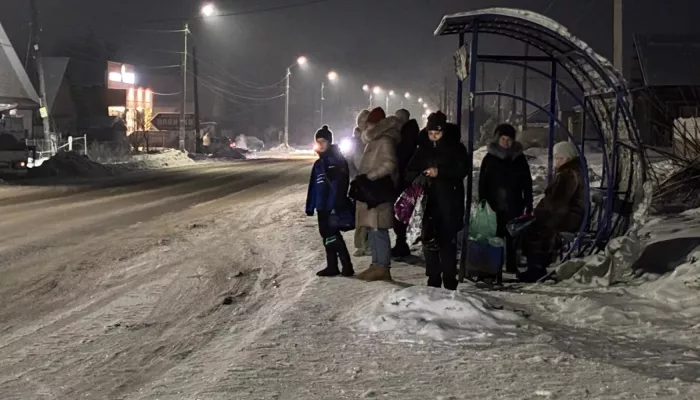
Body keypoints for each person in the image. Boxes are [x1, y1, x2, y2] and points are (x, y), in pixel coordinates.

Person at [406, 111, 468, 290]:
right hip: (427, 203)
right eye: (430, 133)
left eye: (437, 133)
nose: (433, 137)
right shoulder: (422, 148)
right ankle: (433, 279)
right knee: (429, 242)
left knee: (447, 243)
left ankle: (449, 281)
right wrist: (421, 176)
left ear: (444, 132)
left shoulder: (456, 148)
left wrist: (440, 172)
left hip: (449, 201)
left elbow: (462, 170)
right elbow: (410, 171)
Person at [520, 141, 585, 282]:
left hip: (567, 216)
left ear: (568, 158)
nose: (557, 161)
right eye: (556, 158)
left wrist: (540, 216)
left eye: (560, 158)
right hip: (565, 213)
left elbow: (558, 202)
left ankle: (536, 269)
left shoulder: (568, 174)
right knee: (533, 226)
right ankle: (536, 267)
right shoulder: (568, 172)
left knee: (535, 229)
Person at [478, 123, 533, 273]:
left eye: (509, 139)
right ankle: (495, 265)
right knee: (496, 235)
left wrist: (529, 202)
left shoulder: (518, 158)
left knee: (512, 234)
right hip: (494, 202)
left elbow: (526, 182)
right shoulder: (490, 158)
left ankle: (511, 264)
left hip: (514, 202)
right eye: (503, 138)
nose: (506, 142)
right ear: (497, 139)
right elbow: (483, 182)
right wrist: (482, 201)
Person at [355, 107, 402, 281]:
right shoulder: (375, 140)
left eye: (368, 124)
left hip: (378, 193)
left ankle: (382, 266)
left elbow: (389, 164)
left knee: (379, 230)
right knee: (374, 230)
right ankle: (376, 264)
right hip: (372, 194)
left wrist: (369, 177)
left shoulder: (384, 140)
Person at [305, 125, 354, 277]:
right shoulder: (318, 164)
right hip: (321, 206)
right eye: (318, 141)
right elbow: (313, 186)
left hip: (332, 205)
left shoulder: (337, 161)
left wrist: (337, 203)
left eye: (323, 141)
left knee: (333, 235)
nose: (320, 144)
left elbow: (343, 183)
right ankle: (332, 265)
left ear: (329, 142)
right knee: (326, 235)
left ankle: (347, 266)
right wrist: (310, 206)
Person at [392, 109, 420, 258]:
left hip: (404, 181)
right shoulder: (411, 134)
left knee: (401, 212)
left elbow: (402, 159)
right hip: (407, 180)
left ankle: (401, 244)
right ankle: (401, 243)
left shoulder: (405, 137)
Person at [351, 110, 371, 257]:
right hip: (358, 179)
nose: (363, 123)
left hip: (370, 178)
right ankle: (360, 244)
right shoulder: (354, 139)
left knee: (371, 213)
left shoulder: (372, 138)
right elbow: (349, 160)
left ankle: (369, 243)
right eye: (361, 120)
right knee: (360, 214)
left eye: (366, 120)